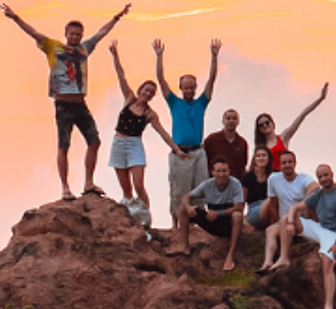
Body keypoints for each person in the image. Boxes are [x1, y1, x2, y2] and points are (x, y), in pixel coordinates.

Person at [2, 1, 131, 200]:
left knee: (94, 141)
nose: (75, 37)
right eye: (72, 33)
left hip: (80, 103)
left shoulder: (85, 48)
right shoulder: (53, 47)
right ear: (66, 34)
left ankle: (89, 182)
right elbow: (34, 33)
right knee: (64, 145)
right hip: (63, 105)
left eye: (78, 34)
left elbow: (101, 32)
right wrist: (15, 18)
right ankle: (65, 187)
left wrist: (117, 16)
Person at [106, 40, 176, 226]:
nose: (148, 94)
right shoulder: (129, 99)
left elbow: (163, 133)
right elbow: (121, 75)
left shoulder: (150, 114)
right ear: (140, 90)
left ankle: (145, 218)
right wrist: (115, 55)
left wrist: (177, 149)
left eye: (152, 92)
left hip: (135, 145)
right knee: (126, 189)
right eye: (146, 90)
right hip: (118, 143)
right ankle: (131, 221)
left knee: (138, 185)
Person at [157, 37, 220, 222]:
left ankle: (198, 225)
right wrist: (159, 57)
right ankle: (177, 226)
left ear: (195, 87)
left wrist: (214, 57)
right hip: (180, 152)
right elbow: (161, 80)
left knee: (200, 190)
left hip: (199, 152)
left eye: (192, 87)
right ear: (181, 88)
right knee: (179, 191)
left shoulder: (201, 103)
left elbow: (211, 80)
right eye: (186, 87)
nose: (189, 90)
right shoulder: (174, 102)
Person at [291, 162, 336, 309]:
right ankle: (284, 258)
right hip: (320, 229)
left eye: (326, 175)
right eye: (320, 177)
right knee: (291, 218)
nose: (324, 179)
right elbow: (295, 208)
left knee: (327, 263)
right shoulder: (319, 194)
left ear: (332, 174)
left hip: (335, 234)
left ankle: (328, 307)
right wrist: (289, 224)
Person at [174, 157, 246, 269]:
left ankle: (230, 254)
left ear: (229, 171)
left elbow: (239, 207)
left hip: (227, 222)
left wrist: (219, 213)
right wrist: (189, 207)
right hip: (211, 220)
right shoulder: (207, 184)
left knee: (237, 216)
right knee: (183, 209)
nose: (221, 174)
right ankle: (185, 247)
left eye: (224, 171)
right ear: (212, 172)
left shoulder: (235, 184)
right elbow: (186, 197)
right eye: (218, 171)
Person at [257, 150, 314, 272]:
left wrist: (303, 203)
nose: (287, 165)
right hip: (284, 223)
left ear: (295, 163)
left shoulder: (304, 178)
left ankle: (284, 258)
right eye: (284, 163)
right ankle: (268, 261)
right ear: (280, 165)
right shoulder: (274, 178)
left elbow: (315, 187)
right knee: (270, 230)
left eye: (290, 162)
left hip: (301, 220)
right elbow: (272, 202)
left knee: (286, 218)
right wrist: (272, 220)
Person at [253, 82, 329, 163]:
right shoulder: (260, 146)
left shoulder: (283, 138)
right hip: (268, 175)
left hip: (283, 174)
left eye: (267, 123)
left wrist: (321, 98)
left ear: (272, 123)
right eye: (261, 125)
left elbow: (302, 115)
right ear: (259, 129)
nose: (265, 125)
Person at [203, 109, 250, 180]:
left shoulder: (242, 143)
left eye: (234, 118)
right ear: (223, 121)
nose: (231, 121)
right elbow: (203, 162)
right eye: (228, 118)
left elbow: (243, 166)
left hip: (235, 184)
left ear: (238, 122)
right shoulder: (211, 140)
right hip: (214, 183)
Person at [240, 146, 274, 232]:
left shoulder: (275, 175)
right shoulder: (248, 177)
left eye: (264, 155)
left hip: (274, 209)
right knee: (270, 200)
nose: (261, 158)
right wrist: (241, 222)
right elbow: (242, 200)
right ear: (254, 159)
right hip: (254, 210)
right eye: (258, 156)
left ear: (269, 158)